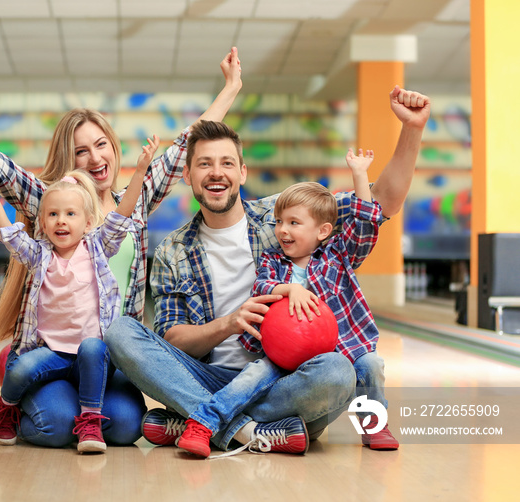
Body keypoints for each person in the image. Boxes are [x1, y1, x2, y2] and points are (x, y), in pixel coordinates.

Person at [0, 48, 242, 447]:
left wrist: (231, 88)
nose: (95, 158)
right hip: (56, 352)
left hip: (106, 357)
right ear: (70, 157)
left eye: (101, 145)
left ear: (113, 147)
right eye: (82, 151)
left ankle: (41, 387)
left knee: (128, 427)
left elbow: (187, 144)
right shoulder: (51, 203)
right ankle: (26, 380)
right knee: (56, 427)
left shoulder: (138, 197)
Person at [105, 87, 431, 455]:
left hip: (285, 379)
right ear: (188, 174)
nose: (217, 173)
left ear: (242, 172)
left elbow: (378, 202)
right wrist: (229, 323)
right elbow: (172, 340)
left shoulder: (284, 218)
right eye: (204, 163)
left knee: (339, 370)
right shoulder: (172, 251)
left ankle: (200, 420)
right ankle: (250, 430)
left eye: (227, 163)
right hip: (209, 378)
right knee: (119, 332)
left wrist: (413, 129)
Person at [175, 147, 399, 457]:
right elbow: (262, 285)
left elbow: (365, 225)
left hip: (338, 353)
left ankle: (373, 423)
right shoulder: (272, 260)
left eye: (294, 223)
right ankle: (206, 421)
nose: (282, 229)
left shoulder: (338, 255)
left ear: (322, 231)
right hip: (282, 355)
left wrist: (360, 175)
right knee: (252, 374)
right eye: (279, 221)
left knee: (372, 364)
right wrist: (288, 289)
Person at [0, 135, 159, 451]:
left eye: (71, 214)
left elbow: (123, 212)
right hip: (53, 352)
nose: (62, 221)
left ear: (88, 222)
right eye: (53, 215)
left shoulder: (99, 247)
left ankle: (90, 423)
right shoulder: (38, 255)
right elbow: (6, 230)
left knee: (92, 347)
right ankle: (7, 409)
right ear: (42, 224)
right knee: (19, 367)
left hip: (93, 357)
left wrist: (141, 168)